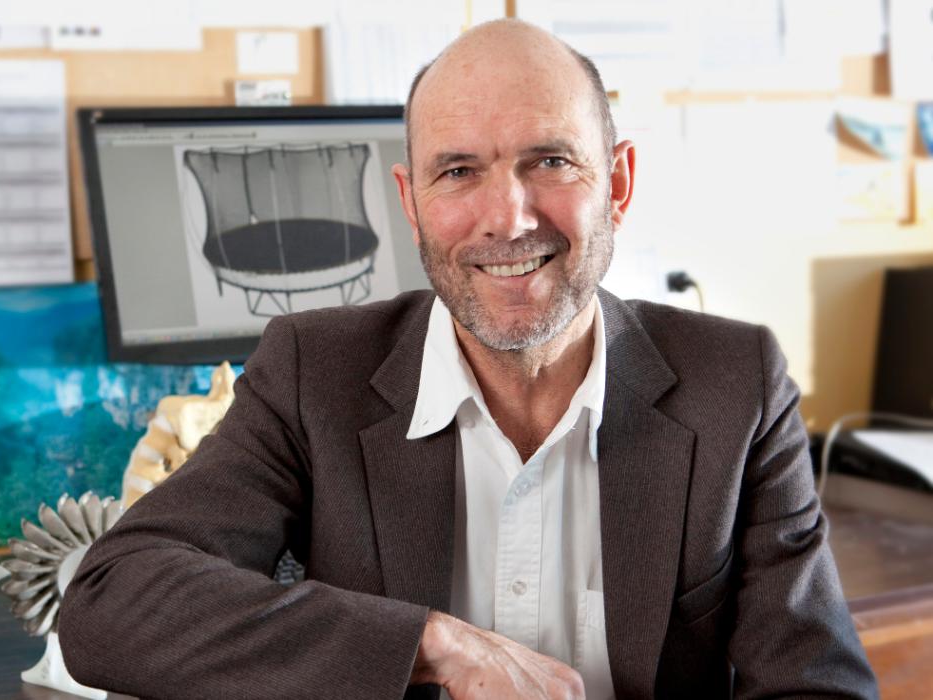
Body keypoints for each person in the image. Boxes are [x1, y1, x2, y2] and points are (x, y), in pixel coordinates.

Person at [60, 19, 877, 700]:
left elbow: (819, 686)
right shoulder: (314, 373)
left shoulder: (736, 384)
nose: (507, 218)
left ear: (619, 184)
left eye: (550, 161)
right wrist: (430, 645)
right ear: (411, 204)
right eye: (458, 171)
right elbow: (110, 602)